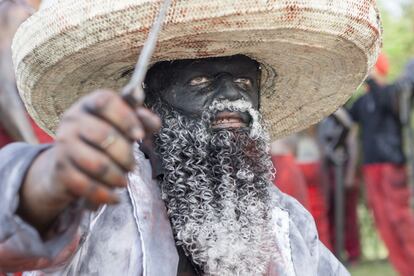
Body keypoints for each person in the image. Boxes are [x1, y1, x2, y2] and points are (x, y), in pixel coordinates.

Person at [0, 0, 381, 275]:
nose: (232, 98)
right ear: (150, 104)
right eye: (201, 82)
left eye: (244, 83)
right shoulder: (100, 202)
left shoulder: (285, 222)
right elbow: (18, 217)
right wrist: (49, 177)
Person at [348, 55, 414, 276]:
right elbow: (346, 117)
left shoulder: (392, 92)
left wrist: (373, 79)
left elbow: (391, 105)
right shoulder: (363, 101)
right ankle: (404, 270)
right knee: (383, 220)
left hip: (391, 164)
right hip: (371, 167)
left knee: (400, 218)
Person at [318, 108, 361, 263]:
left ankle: (353, 253)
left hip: (343, 170)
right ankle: (334, 252)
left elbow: (352, 143)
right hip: (329, 171)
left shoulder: (345, 115)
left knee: (348, 215)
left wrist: (350, 174)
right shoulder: (321, 118)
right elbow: (321, 147)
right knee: (330, 213)